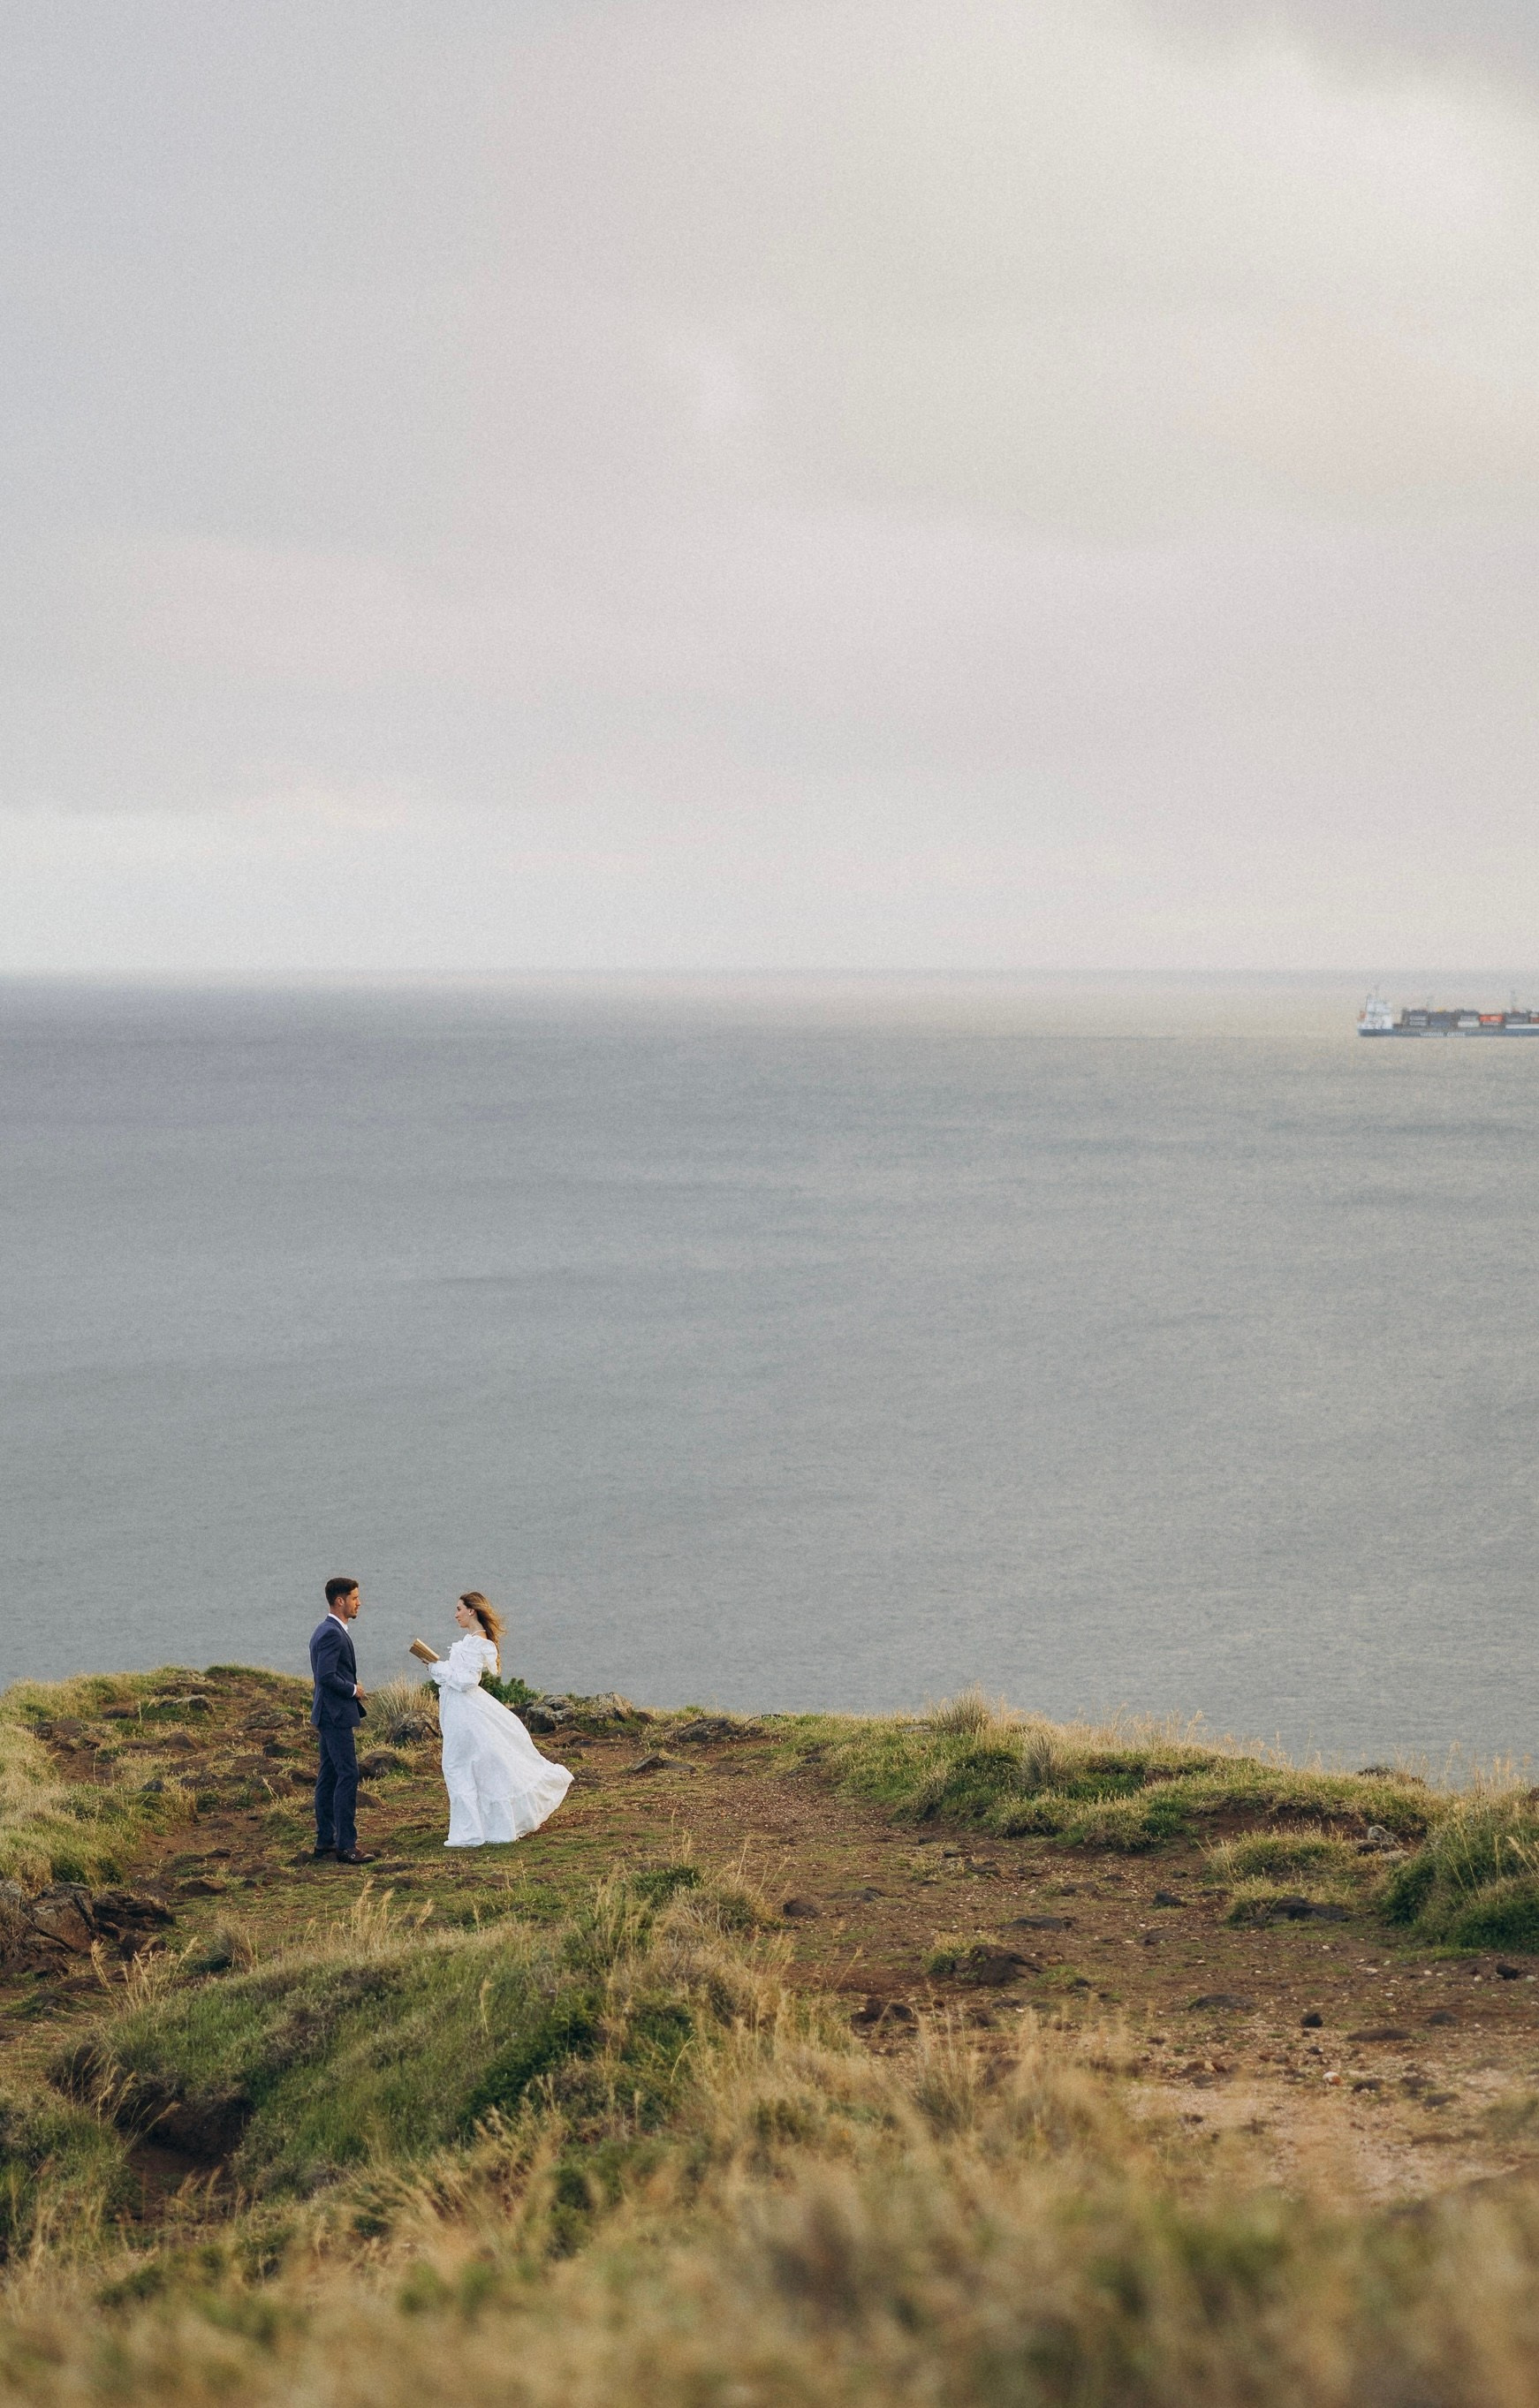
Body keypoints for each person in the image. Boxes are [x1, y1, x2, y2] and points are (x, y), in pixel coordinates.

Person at [415, 1592, 572, 1848]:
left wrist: (436, 1668)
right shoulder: (471, 1641)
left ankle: (469, 1833)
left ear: (471, 1611)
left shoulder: (480, 1643)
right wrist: (437, 1666)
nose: (455, 1614)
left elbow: (467, 1681)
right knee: (464, 1767)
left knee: (458, 1766)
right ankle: (474, 1829)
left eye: (458, 1609)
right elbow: (459, 1675)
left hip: (466, 1711)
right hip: (458, 1710)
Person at [309, 1576, 375, 1866]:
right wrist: (354, 1689)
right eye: (355, 1597)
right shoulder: (332, 1633)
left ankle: (326, 1840)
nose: (359, 1602)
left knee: (330, 1775)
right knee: (347, 1774)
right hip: (335, 1716)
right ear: (340, 1601)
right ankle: (346, 1846)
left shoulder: (325, 1630)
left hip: (328, 1714)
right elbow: (325, 1676)